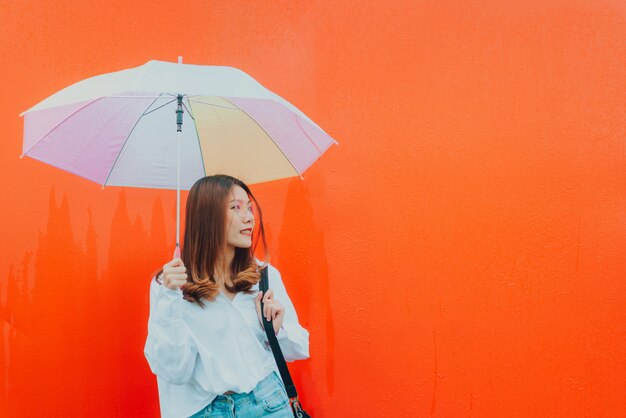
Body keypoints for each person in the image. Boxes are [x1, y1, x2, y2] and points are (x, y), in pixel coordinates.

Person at [144, 175, 310, 418]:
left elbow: (300, 346)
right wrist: (170, 298)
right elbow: (175, 370)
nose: (249, 217)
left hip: (268, 404)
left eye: (250, 208)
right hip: (203, 410)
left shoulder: (263, 277)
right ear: (207, 217)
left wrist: (274, 332)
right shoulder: (169, 285)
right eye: (236, 208)